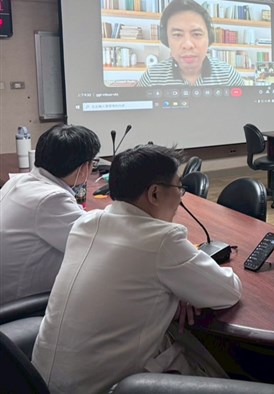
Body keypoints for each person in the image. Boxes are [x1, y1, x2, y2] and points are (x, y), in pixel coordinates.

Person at [32, 145, 242, 394]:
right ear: (154, 193)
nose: (180, 198)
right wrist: (184, 286)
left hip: (38, 380)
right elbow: (228, 292)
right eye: (179, 188)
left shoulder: (86, 222)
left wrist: (179, 285)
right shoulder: (162, 239)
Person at [0, 124, 100, 306]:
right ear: (84, 167)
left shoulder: (19, 181)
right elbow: (96, 243)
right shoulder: (51, 199)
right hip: (22, 304)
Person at [137, 0, 244, 87]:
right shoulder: (151, 79)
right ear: (166, 39)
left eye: (196, 34)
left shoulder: (229, 77)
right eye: (177, 35)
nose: (188, 45)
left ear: (209, 37)